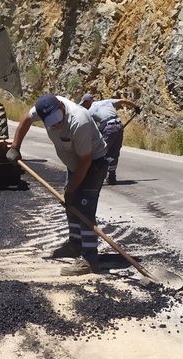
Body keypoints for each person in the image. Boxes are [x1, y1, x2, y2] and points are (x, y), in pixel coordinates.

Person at [7, 94, 108, 276]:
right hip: (74, 165)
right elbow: (25, 120)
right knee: (70, 206)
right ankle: (75, 246)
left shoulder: (79, 120)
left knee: (85, 208)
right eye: (51, 124)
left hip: (94, 164)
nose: (56, 126)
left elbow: (86, 161)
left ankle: (89, 259)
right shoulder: (42, 110)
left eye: (58, 121)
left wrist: (71, 189)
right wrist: (15, 147)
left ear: (62, 107)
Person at [79, 93, 139, 185]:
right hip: (119, 126)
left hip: (108, 127)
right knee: (114, 153)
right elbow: (124, 101)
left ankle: (95, 177)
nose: (84, 106)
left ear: (87, 102)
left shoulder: (90, 111)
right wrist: (136, 107)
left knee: (100, 152)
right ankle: (111, 177)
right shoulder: (106, 101)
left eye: (83, 104)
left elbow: (91, 126)